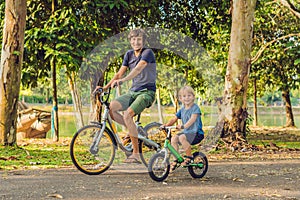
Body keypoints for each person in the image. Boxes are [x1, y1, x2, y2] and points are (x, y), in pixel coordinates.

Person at [101, 28, 156, 164]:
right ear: (130, 41)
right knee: (111, 108)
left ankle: (136, 154)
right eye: (133, 39)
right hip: (133, 92)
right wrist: (105, 87)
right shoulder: (128, 54)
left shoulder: (147, 53)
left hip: (147, 92)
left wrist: (124, 80)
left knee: (127, 115)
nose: (136, 42)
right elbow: (119, 74)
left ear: (143, 41)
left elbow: (138, 69)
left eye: (139, 39)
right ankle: (134, 130)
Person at [162, 86, 204, 169]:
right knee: (174, 138)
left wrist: (183, 126)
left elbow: (192, 119)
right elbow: (175, 118)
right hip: (187, 133)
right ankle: (176, 159)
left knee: (181, 137)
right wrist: (166, 125)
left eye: (189, 95)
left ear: (193, 97)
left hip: (196, 133)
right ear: (180, 98)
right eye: (184, 96)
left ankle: (189, 157)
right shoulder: (182, 109)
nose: (187, 98)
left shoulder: (195, 108)